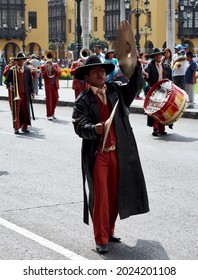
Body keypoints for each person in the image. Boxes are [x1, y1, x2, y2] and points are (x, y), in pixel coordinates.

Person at [72, 55, 149, 254]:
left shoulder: (116, 90)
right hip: (99, 155)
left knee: (116, 195)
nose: (101, 73)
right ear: (87, 77)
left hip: (118, 153)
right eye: (96, 71)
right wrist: (94, 128)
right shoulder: (83, 100)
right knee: (100, 198)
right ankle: (101, 238)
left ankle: (110, 230)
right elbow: (79, 126)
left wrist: (136, 66)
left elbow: (134, 88)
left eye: (103, 70)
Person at [4, 52, 35, 134]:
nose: (21, 62)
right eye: (19, 60)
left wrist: (32, 91)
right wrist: (10, 85)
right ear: (17, 61)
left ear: (24, 61)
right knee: (16, 111)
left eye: (22, 60)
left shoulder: (27, 70)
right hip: (16, 94)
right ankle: (16, 127)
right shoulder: (12, 70)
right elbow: (7, 81)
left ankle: (25, 127)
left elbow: (30, 82)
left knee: (25, 110)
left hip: (25, 94)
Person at [144, 48, 172, 136]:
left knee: (162, 109)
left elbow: (169, 78)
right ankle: (155, 128)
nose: (158, 56)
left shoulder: (165, 66)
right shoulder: (150, 66)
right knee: (155, 109)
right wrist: (147, 76)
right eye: (156, 55)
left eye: (160, 55)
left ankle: (161, 128)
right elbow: (147, 78)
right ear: (154, 57)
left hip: (163, 90)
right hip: (153, 90)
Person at [41, 51, 61, 120]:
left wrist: (53, 68)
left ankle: (52, 112)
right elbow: (43, 76)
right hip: (48, 85)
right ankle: (49, 114)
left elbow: (59, 74)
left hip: (55, 84)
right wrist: (46, 69)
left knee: (56, 98)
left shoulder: (55, 65)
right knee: (49, 100)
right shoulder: (43, 66)